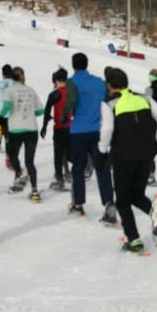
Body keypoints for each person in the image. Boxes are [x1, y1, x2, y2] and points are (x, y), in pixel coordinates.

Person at [99, 68, 157, 254]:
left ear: (110, 85)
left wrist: (101, 149)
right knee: (137, 195)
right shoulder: (143, 98)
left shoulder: (109, 103)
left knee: (122, 200)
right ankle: (156, 214)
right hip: (146, 154)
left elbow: (107, 129)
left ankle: (134, 239)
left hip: (123, 156)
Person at [63, 52, 116, 222]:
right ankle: (109, 203)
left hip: (79, 130)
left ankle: (78, 204)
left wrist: (64, 115)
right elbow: (108, 101)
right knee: (102, 167)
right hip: (98, 130)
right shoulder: (99, 82)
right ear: (87, 64)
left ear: (73, 65)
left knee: (78, 167)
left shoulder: (72, 82)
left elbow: (71, 101)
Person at [0, 66, 45, 201]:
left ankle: (19, 174)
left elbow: (7, 107)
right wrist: (30, 113)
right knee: (30, 161)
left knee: (12, 154)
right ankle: (35, 191)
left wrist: (0, 117)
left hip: (15, 129)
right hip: (31, 128)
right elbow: (40, 110)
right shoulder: (31, 90)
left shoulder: (9, 90)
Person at [41, 68, 72, 190]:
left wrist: (44, 126)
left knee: (58, 154)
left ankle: (60, 179)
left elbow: (47, 110)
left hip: (59, 128)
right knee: (69, 153)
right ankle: (71, 173)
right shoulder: (72, 92)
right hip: (71, 128)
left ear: (57, 80)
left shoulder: (55, 93)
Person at [0, 64, 18, 170]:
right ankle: (12, 158)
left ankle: (9, 157)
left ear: (3, 74)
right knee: (14, 137)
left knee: (7, 136)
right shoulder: (16, 84)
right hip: (15, 114)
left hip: (2, 114)